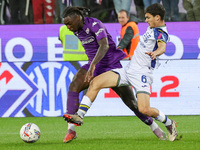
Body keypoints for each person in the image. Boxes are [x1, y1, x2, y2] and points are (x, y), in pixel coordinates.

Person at [64, 3, 178, 142]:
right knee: (95, 82)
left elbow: (163, 46)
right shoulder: (151, 28)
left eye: (148, 18)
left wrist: (156, 52)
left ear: (157, 17)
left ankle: (168, 123)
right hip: (128, 69)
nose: (146, 20)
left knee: (143, 109)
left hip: (141, 74)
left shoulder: (160, 32)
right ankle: (79, 116)